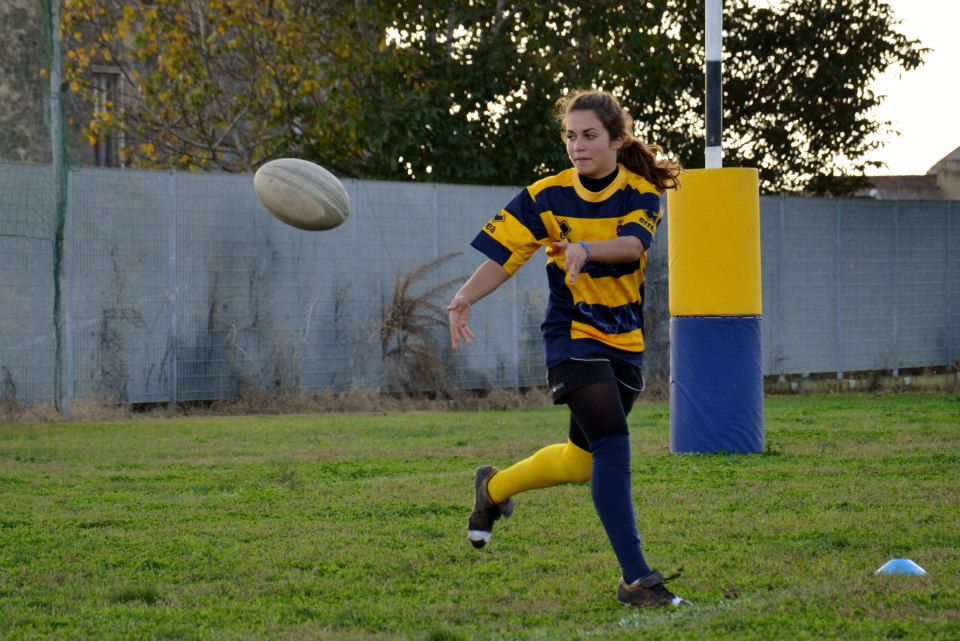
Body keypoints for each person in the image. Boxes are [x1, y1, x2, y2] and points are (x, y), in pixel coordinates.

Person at [446, 89, 689, 608]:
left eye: (589, 136)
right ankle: (636, 579)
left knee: (583, 463)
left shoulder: (640, 191)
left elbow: (632, 246)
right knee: (613, 445)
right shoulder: (544, 196)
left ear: (617, 140)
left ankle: (491, 489)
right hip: (571, 335)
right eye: (570, 137)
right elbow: (503, 255)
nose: (577, 146)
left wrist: (584, 248)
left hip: (623, 340)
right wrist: (464, 297)